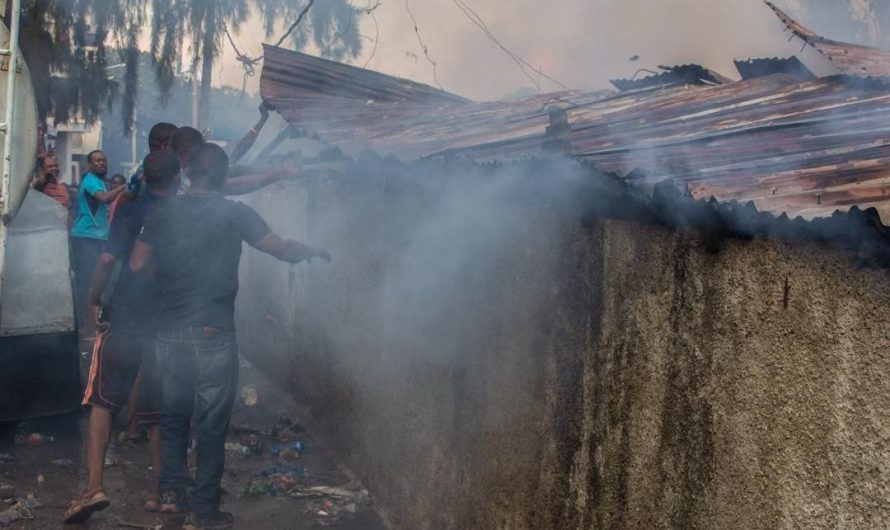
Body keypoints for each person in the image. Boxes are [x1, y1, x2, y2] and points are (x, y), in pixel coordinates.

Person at [130, 143, 331, 530]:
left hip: (169, 329)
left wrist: (169, 284)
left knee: (173, 416)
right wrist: (313, 250)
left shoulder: (161, 211)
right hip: (212, 330)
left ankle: (172, 494)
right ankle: (206, 512)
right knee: (210, 424)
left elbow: (138, 263)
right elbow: (282, 249)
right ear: (224, 178)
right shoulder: (236, 213)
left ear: (188, 176)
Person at [63, 150, 181, 525]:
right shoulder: (186, 216)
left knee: (102, 401)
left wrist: (93, 298)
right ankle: (158, 492)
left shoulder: (129, 213)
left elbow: (107, 260)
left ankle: (94, 486)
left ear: (142, 179)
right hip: (166, 323)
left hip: (125, 317)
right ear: (177, 180)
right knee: (160, 412)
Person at [70, 150, 126, 337]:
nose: (102, 163)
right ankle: (86, 325)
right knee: (88, 281)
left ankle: (92, 323)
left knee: (97, 280)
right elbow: (104, 198)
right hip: (86, 236)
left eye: (104, 160)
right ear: (90, 164)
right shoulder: (91, 181)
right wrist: (122, 187)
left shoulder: (100, 181)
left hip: (97, 237)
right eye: (98, 161)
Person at [172, 126, 300, 196]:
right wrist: (278, 173)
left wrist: (262, 121)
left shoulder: (199, 170)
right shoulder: (182, 180)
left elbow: (239, 165)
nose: (202, 155)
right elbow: (238, 184)